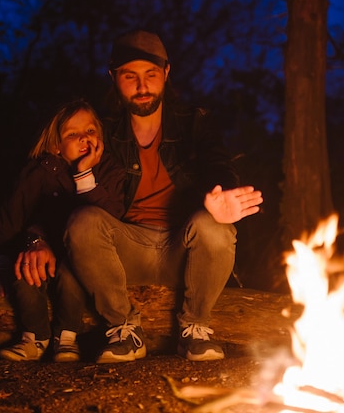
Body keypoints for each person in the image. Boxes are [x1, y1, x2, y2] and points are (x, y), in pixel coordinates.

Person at [63, 30, 263, 363]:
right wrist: (36, 238)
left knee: (213, 224)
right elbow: (54, 183)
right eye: (130, 76)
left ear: (166, 73)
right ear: (114, 77)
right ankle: (124, 330)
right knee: (82, 221)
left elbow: (217, 163)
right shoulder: (101, 128)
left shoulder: (193, 122)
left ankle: (194, 330)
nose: (142, 86)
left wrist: (221, 194)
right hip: (124, 248)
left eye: (150, 75)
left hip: (180, 249)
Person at [0, 99, 125, 362]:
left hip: (78, 256)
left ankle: (66, 337)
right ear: (55, 145)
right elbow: (10, 214)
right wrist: (0, 261)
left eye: (90, 131)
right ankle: (34, 337)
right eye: (72, 134)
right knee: (24, 270)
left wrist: (85, 174)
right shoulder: (39, 172)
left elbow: (113, 216)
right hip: (38, 249)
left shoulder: (109, 170)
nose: (83, 139)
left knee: (71, 271)